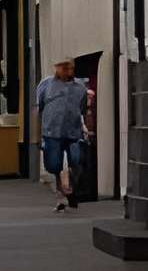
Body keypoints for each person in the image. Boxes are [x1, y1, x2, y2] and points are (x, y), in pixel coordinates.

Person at [35, 56, 92, 210]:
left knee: (77, 160)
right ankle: (62, 195)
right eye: (64, 67)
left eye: (70, 68)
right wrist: (37, 135)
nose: (67, 71)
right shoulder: (45, 85)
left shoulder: (80, 87)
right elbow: (38, 110)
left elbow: (83, 111)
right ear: (57, 68)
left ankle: (70, 187)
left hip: (73, 132)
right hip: (51, 132)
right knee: (54, 165)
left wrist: (85, 128)